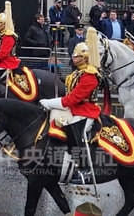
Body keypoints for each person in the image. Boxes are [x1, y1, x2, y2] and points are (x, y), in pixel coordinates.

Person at [40, 27, 102, 185]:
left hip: (86, 111)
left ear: (85, 58)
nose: (73, 57)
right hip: (75, 108)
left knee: (76, 132)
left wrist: (50, 102)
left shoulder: (90, 76)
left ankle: (83, 168)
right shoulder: (77, 73)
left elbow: (72, 99)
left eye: (76, 55)